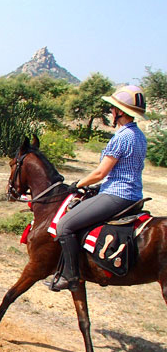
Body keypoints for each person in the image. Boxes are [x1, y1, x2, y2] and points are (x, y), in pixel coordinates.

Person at [50, 85, 148, 292]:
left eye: (113, 108)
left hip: (116, 195)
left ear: (120, 112)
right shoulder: (139, 135)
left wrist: (78, 184)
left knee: (64, 226)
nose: (111, 111)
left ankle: (70, 276)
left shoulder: (121, 137)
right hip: (133, 195)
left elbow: (100, 173)